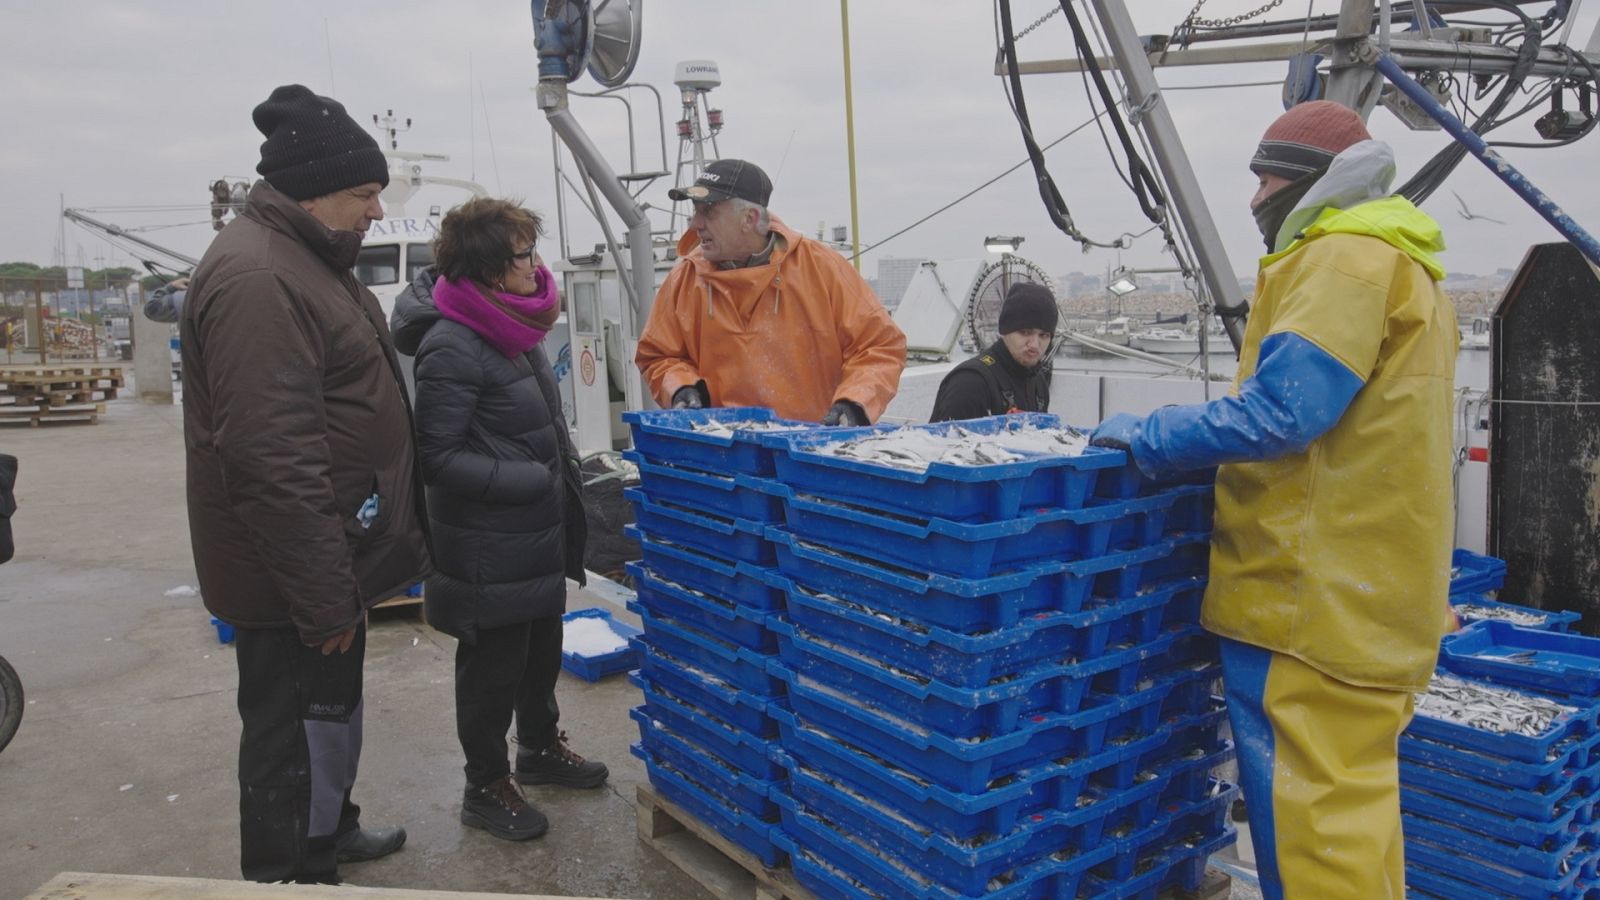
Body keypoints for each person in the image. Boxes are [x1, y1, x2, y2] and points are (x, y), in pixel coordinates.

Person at [1089, 100, 1458, 900]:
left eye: (1265, 177)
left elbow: (1283, 412)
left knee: (1314, 837)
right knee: (1357, 819)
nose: (1255, 197)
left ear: (1308, 179)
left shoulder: (1342, 260)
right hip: (1375, 599)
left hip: (1309, 606)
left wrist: (1150, 436)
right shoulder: (1408, 262)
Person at [180, 84, 431, 884]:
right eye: (364, 193)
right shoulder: (260, 278)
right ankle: (291, 866)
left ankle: (330, 830)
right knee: (293, 731)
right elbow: (271, 458)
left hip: (329, 557)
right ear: (311, 189)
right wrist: (322, 595)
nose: (375, 208)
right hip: (290, 576)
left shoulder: (307, 256)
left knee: (330, 713)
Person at [390, 197, 604, 844]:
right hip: (490, 544)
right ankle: (484, 786)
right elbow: (439, 456)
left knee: (541, 652)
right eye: (522, 255)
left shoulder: (511, 324)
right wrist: (529, 480)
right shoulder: (454, 344)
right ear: (486, 269)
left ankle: (537, 751)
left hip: (533, 535)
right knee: (491, 671)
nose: (535, 265)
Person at [635, 158, 906, 424]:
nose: (695, 224)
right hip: (721, 451)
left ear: (749, 218)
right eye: (695, 212)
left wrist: (854, 404)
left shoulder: (822, 268)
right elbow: (659, 355)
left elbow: (880, 346)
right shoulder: (685, 279)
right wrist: (682, 388)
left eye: (708, 212)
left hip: (810, 452)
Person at [929, 281, 1056, 422]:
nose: (1034, 344)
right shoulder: (969, 383)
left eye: (1044, 335)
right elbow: (947, 442)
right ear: (1004, 331)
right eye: (1025, 332)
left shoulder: (1038, 383)